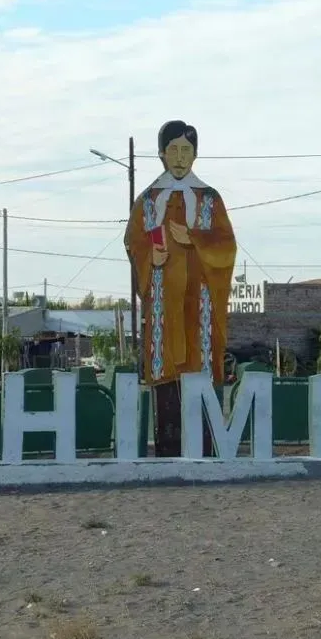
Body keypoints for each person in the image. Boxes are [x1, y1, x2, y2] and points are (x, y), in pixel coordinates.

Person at [124, 120, 237, 456]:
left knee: (201, 378)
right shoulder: (148, 200)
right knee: (167, 386)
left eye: (186, 150)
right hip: (164, 310)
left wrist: (196, 239)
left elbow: (227, 245)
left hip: (199, 309)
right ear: (161, 154)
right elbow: (133, 242)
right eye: (172, 149)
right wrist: (150, 256)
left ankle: (206, 448)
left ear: (195, 154)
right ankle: (169, 450)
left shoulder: (209, 199)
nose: (179, 157)